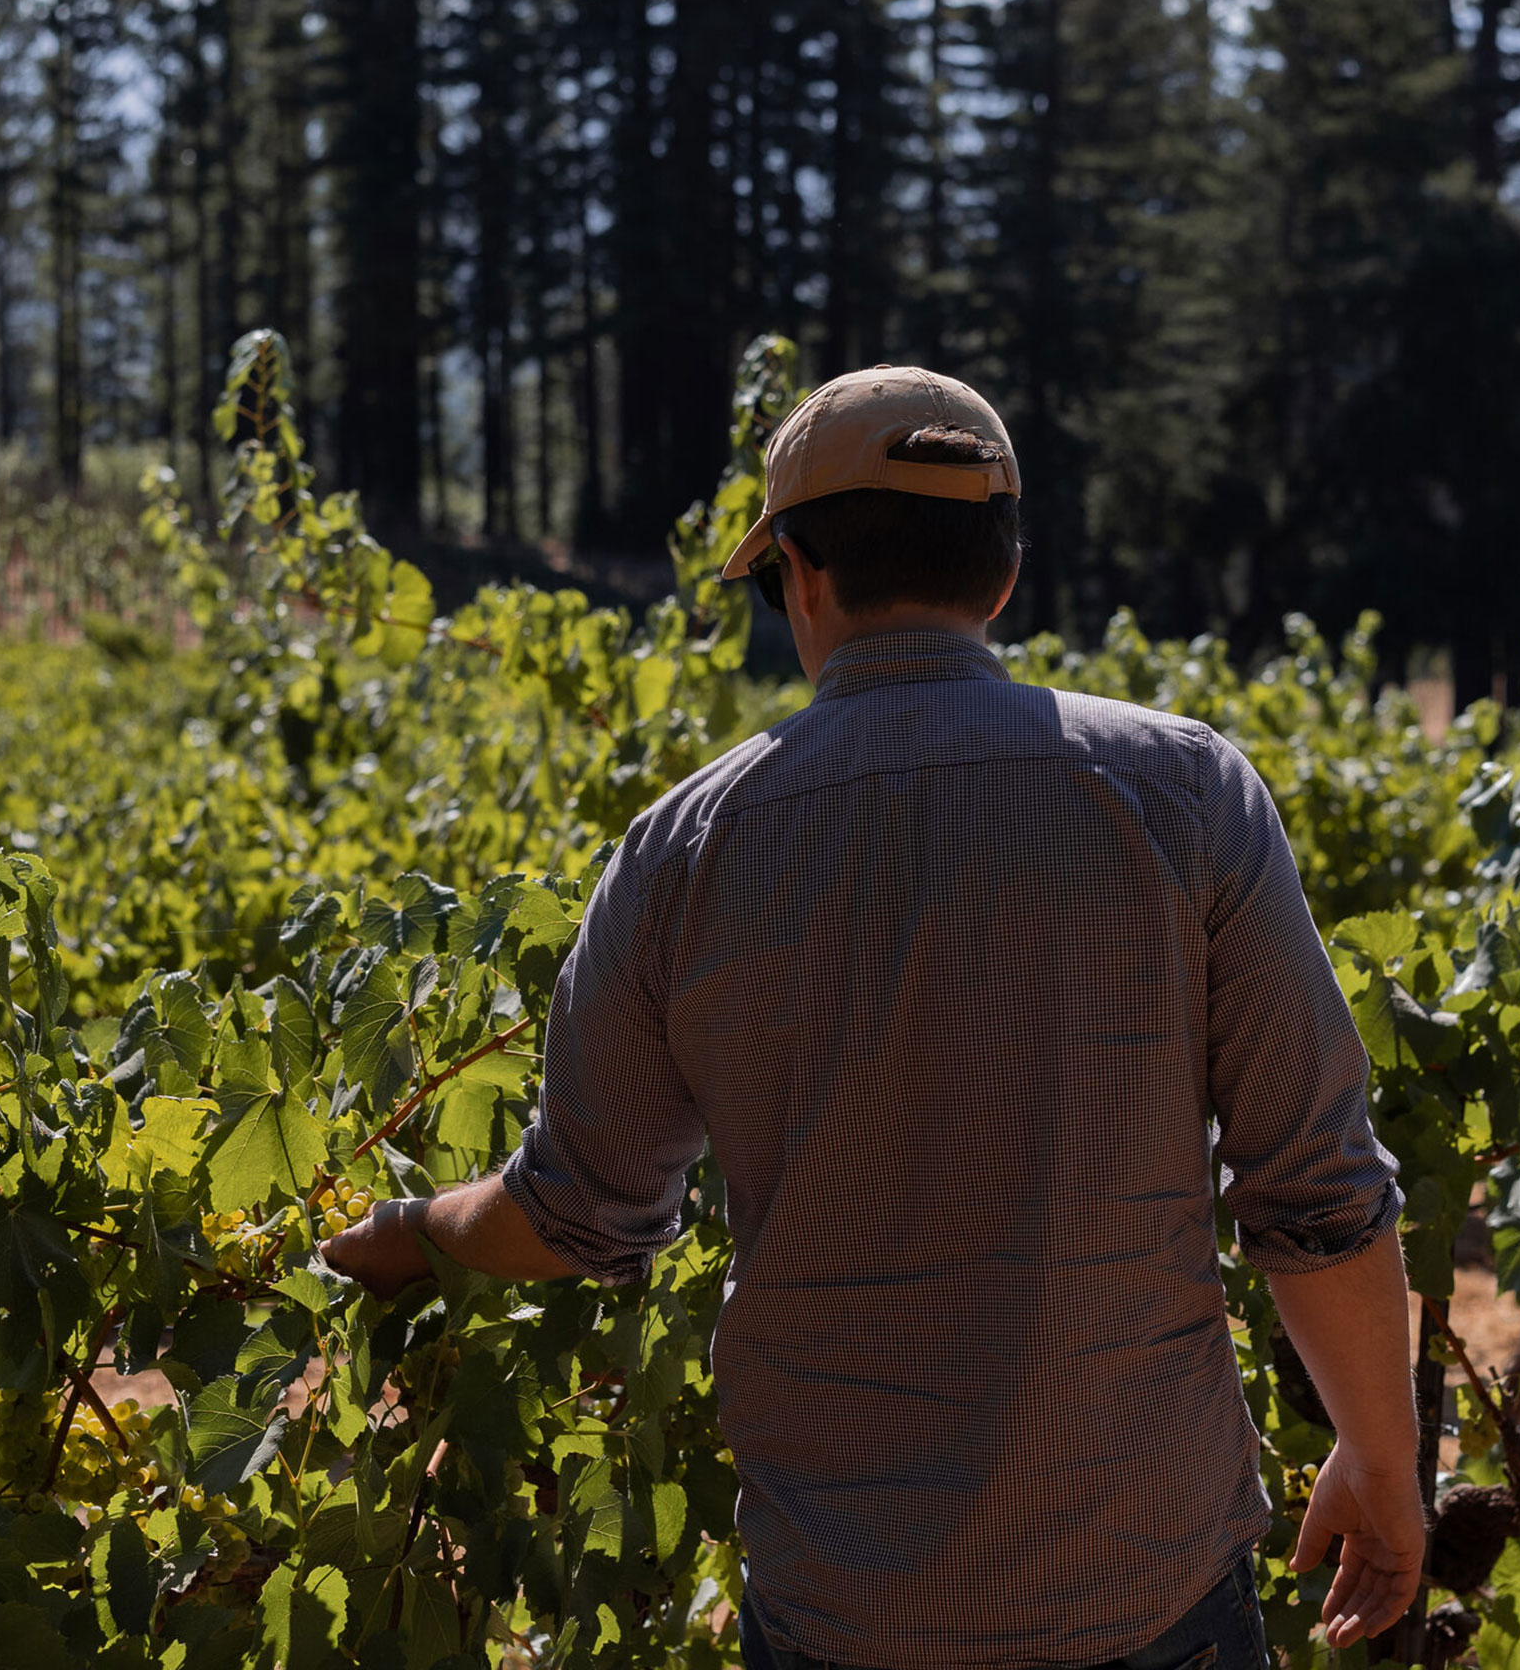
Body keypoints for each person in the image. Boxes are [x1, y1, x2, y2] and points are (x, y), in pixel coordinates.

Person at [323, 366, 1425, 1670]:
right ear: (1004, 574)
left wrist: (401, 1235)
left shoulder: (682, 851)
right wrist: (1380, 1455)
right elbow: (1317, 1189)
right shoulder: (1188, 793)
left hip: (848, 1610)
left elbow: (571, 1218)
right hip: (1148, 1589)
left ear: (797, 573)